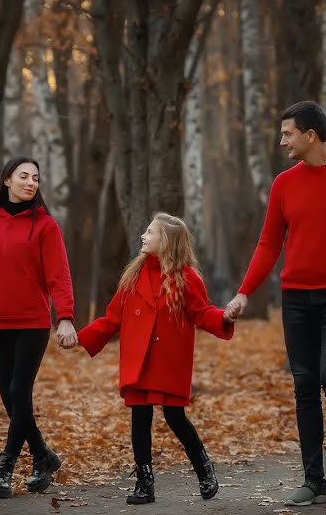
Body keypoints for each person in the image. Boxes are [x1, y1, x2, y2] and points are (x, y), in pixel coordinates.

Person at [224, 101, 326, 506]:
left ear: (310, 135)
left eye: (287, 134)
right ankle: (313, 480)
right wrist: (245, 290)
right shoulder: (283, 184)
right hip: (295, 298)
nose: (282, 141)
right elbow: (268, 243)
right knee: (303, 386)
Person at [74, 213, 234, 505]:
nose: (143, 237)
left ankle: (204, 469)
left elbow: (201, 312)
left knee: (175, 417)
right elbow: (112, 318)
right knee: (140, 418)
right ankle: (144, 483)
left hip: (168, 360)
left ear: (167, 242)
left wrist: (224, 317)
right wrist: (81, 337)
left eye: (149, 232)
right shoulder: (133, 276)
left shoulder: (187, 278)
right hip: (139, 359)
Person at [0, 156, 77, 499]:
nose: (31, 182)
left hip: (33, 321)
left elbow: (59, 275)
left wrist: (66, 317)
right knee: (10, 400)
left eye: (36, 178)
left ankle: (5, 467)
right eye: (23, 176)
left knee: (19, 391)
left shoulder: (45, 226)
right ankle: (43, 456)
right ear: (7, 181)